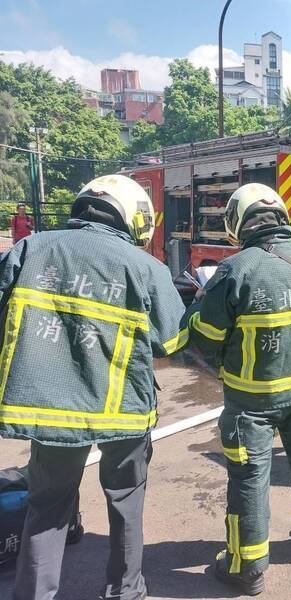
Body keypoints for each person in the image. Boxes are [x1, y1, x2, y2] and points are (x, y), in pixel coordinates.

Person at [0, 175, 188, 600]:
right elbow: (172, 341)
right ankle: (125, 591)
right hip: (123, 410)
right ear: (134, 218)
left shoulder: (31, 249)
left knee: (47, 506)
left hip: (51, 409)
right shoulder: (146, 268)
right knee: (126, 502)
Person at [183, 183, 291, 596]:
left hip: (251, 401)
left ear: (238, 224)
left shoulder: (235, 269)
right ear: (282, 216)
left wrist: (202, 299)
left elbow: (205, 332)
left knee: (250, 478)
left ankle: (249, 567)